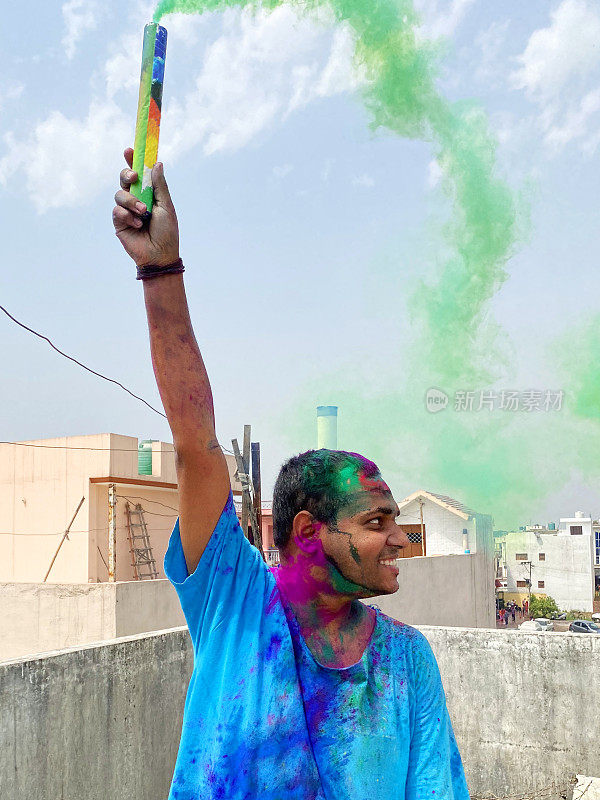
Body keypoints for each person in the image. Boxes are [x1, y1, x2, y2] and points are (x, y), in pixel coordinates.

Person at [112, 152, 470, 800]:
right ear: (308, 533)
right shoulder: (237, 604)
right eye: (376, 521)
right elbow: (196, 445)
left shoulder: (408, 665)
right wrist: (161, 270)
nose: (397, 538)